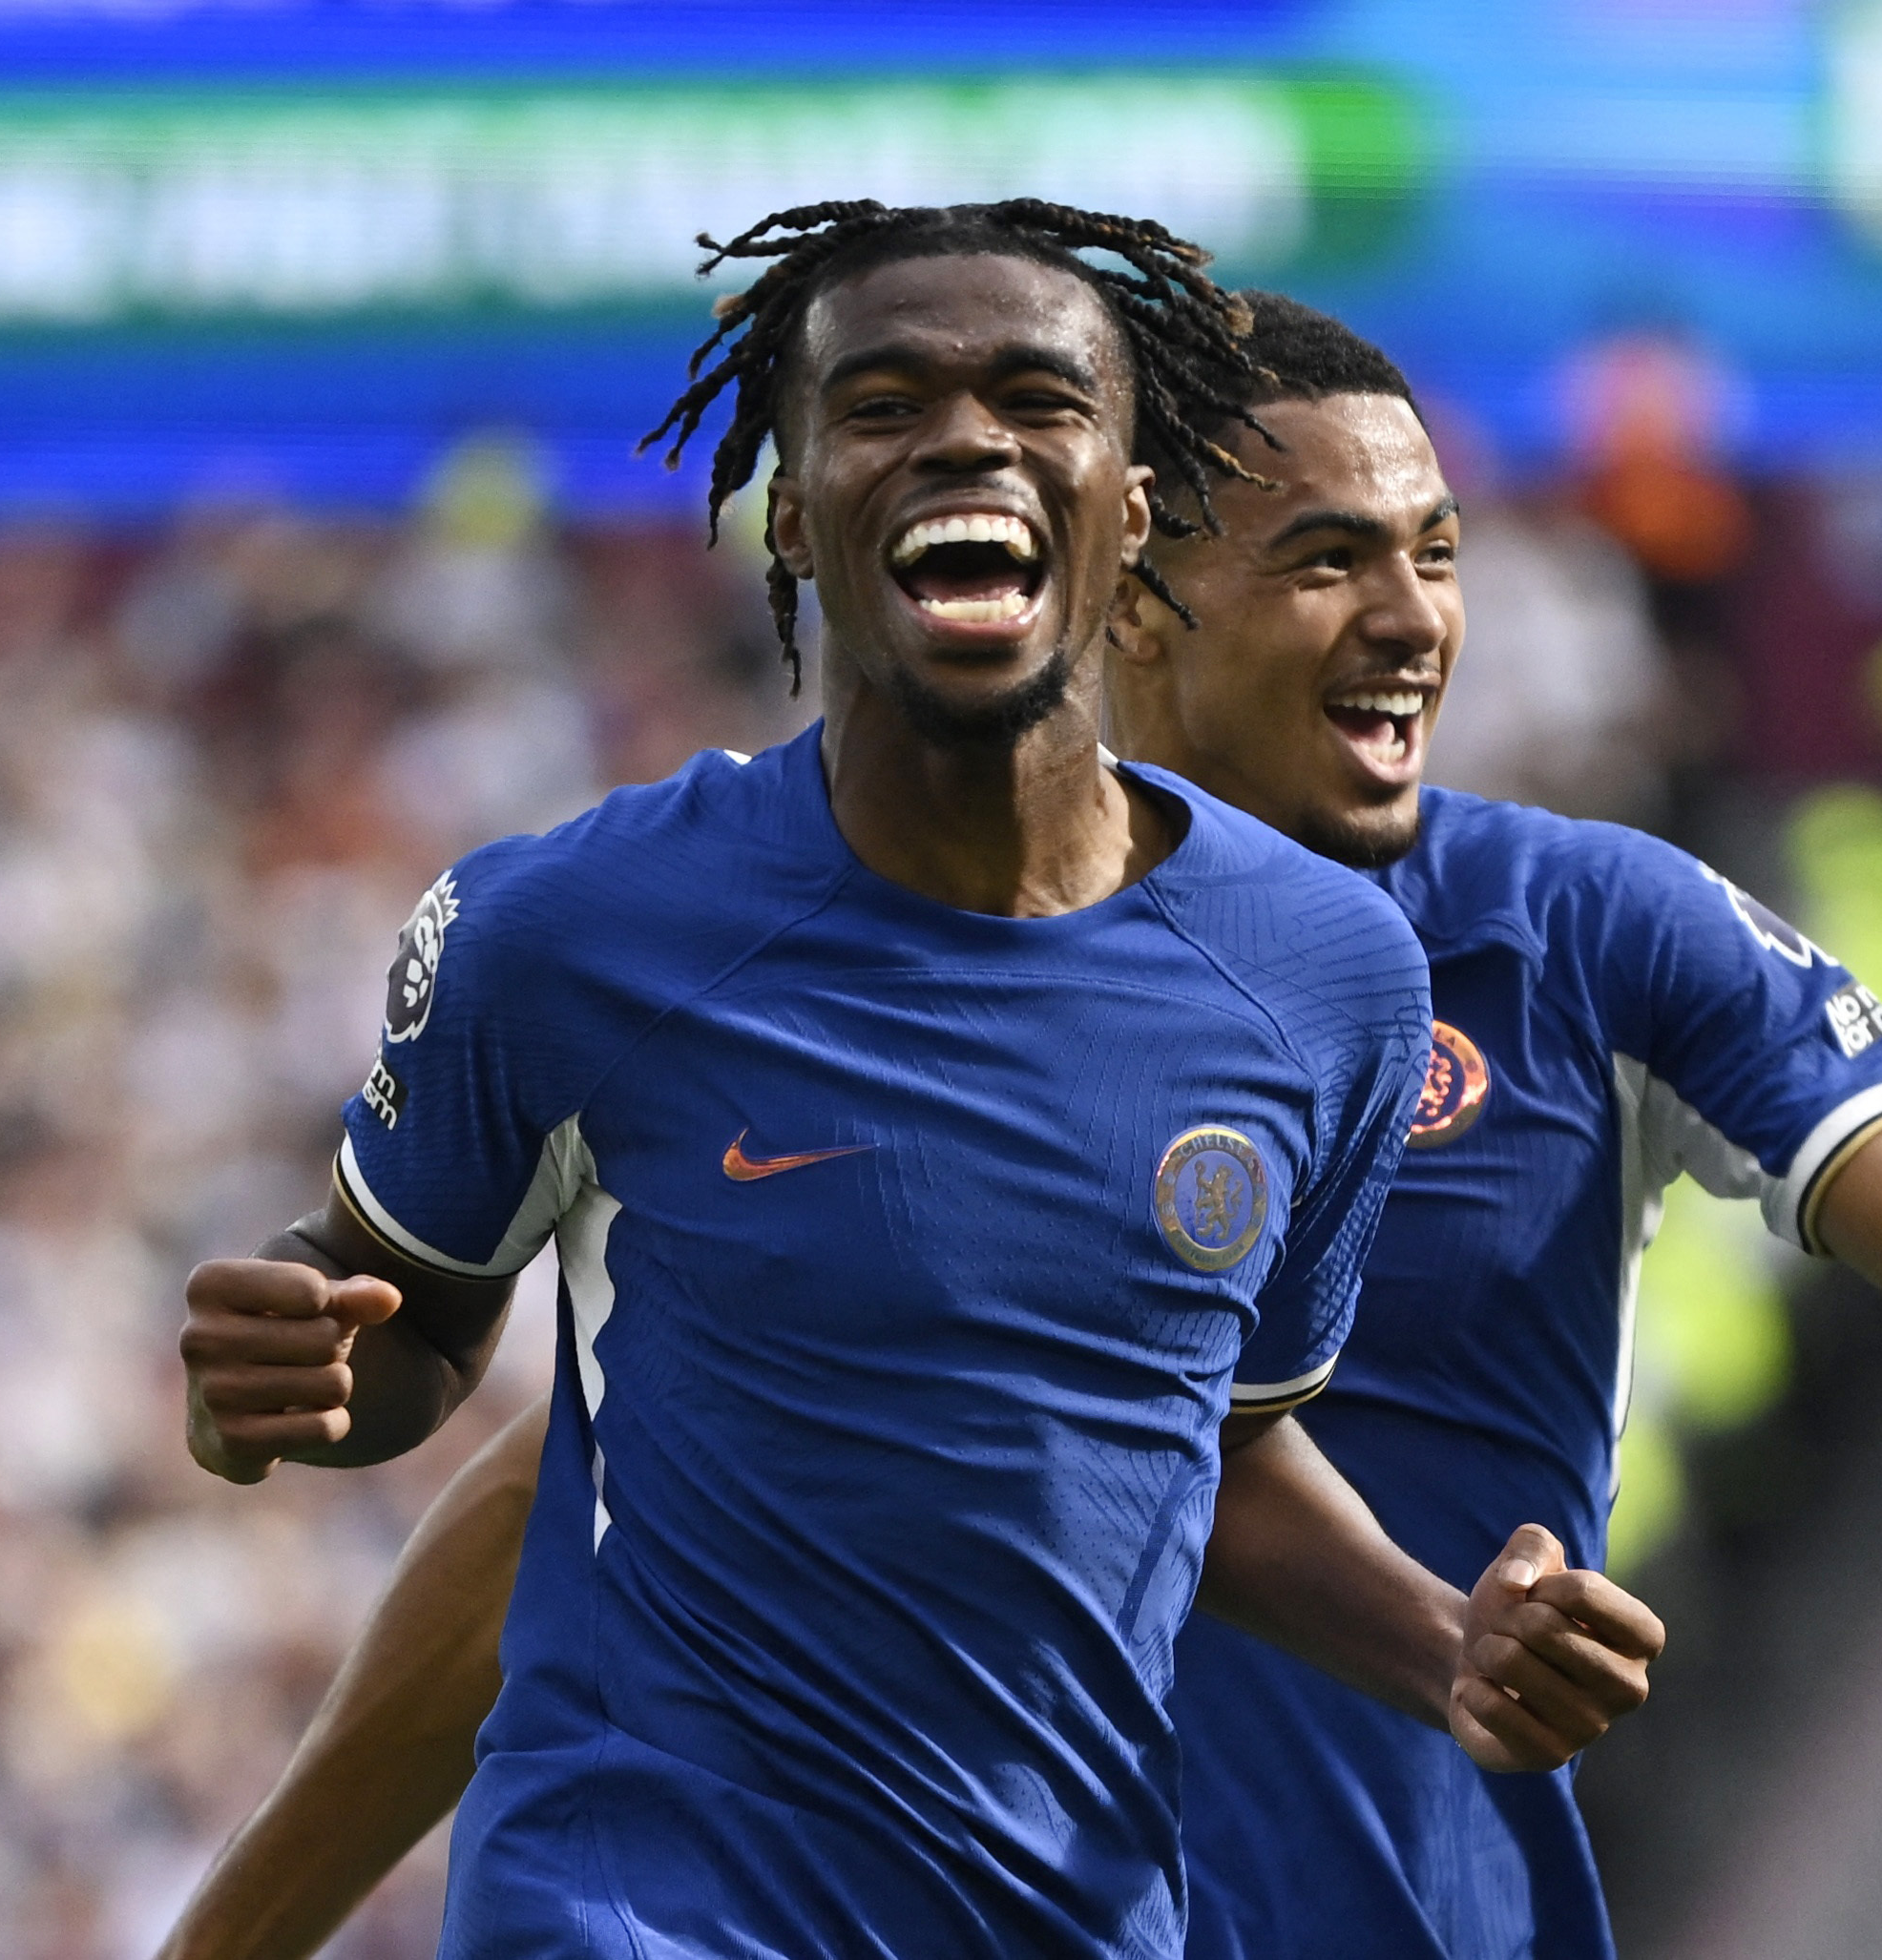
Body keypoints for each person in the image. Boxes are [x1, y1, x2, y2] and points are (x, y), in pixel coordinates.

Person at [163, 293, 1882, 1960]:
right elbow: (586, 1513)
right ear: (1128, 595)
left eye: (1434, 549)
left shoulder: (1581, 931)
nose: (1415, 613)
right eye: (1331, 556)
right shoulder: (832, 983)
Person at [171, 207, 1662, 1960]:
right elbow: (401, 1320)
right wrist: (283, 1381)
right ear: (796, 508)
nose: (966, 439)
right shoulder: (568, 929)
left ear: (1128, 512)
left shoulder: (1327, 982)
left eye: (1040, 397)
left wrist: (1445, 1644)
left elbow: (1210, 1444)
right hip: (638, 1907)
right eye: (881, 405)